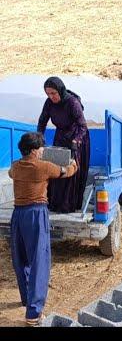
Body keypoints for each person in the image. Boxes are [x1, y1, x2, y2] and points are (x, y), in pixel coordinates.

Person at [8, 132, 78, 325]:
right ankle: (33, 314)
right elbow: (66, 171)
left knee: (21, 259)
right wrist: (74, 161)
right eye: (40, 149)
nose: (42, 152)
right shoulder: (43, 167)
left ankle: (27, 299)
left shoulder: (15, 167)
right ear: (33, 151)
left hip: (18, 214)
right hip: (35, 214)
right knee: (40, 261)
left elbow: (11, 173)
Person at [37, 77, 90, 213]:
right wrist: (39, 141)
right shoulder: (49, 103)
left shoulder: (72, 102)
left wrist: (75, 142)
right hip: (60, 135)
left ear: (60, 90)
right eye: (48, 94)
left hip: (77, 136)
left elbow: (83, 126)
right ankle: (55, 203)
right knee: (56, 167)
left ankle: (68, 205)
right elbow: (42, 122)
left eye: (53, 93)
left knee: (71, 168)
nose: (51, 96)